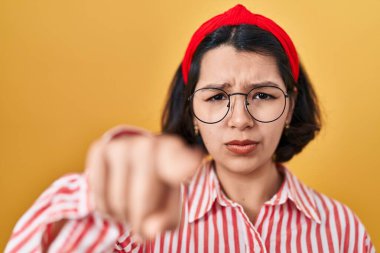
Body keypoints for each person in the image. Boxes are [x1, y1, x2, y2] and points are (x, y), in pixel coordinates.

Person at [5, 4, 375, 253]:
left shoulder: (341, 229)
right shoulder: (141, 225)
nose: (240, 119)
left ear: (291, 106)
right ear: (192, 112)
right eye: (216, 97)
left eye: (262, 95)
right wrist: (97, 194)